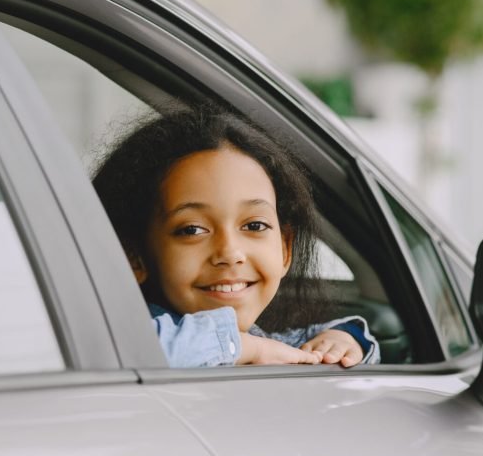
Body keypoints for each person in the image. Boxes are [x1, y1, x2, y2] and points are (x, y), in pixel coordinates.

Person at [93, 104, 380, 368]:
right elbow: (119, 350)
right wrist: (246, 349)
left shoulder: (259, 343)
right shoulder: (131, 334)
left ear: (285, 247)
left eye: (254, 226)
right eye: (192, 229)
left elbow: (294, 347)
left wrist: (345, 338)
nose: (230, 252)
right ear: (134, 257)